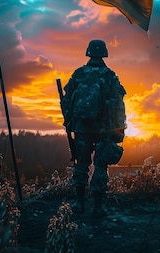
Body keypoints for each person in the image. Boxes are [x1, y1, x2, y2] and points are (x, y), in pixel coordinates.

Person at [61, 39, 127, 217]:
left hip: (82, 128)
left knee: (81, 164)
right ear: (104, 54)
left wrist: (69, 121)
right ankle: (98, 206)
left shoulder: (78, 74)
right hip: (104, 129)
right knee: (100, 166)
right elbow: (118, 105)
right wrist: (120, 130)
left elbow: (66, 101)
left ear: (88, 52)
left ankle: (79, 203)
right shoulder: (110, 76)